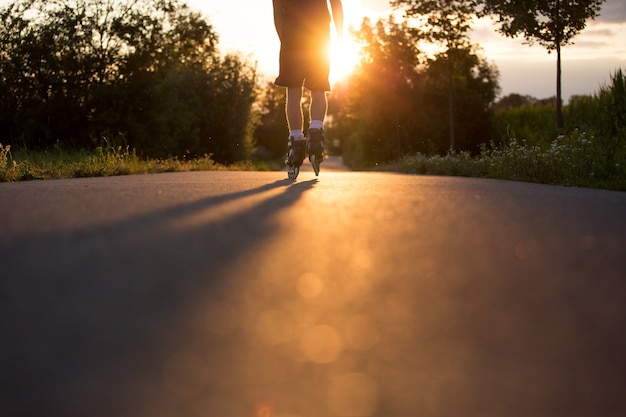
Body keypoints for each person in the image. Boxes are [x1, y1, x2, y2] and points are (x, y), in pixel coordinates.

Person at [272, 0, 344, 178]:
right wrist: (340, 35)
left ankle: (296, 142)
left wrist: (285, 39)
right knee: (318, 89)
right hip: (319, 35)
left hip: (292, 36)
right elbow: (336, 5)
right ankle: (315, 135)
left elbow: (277, 11)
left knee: (293, 92)